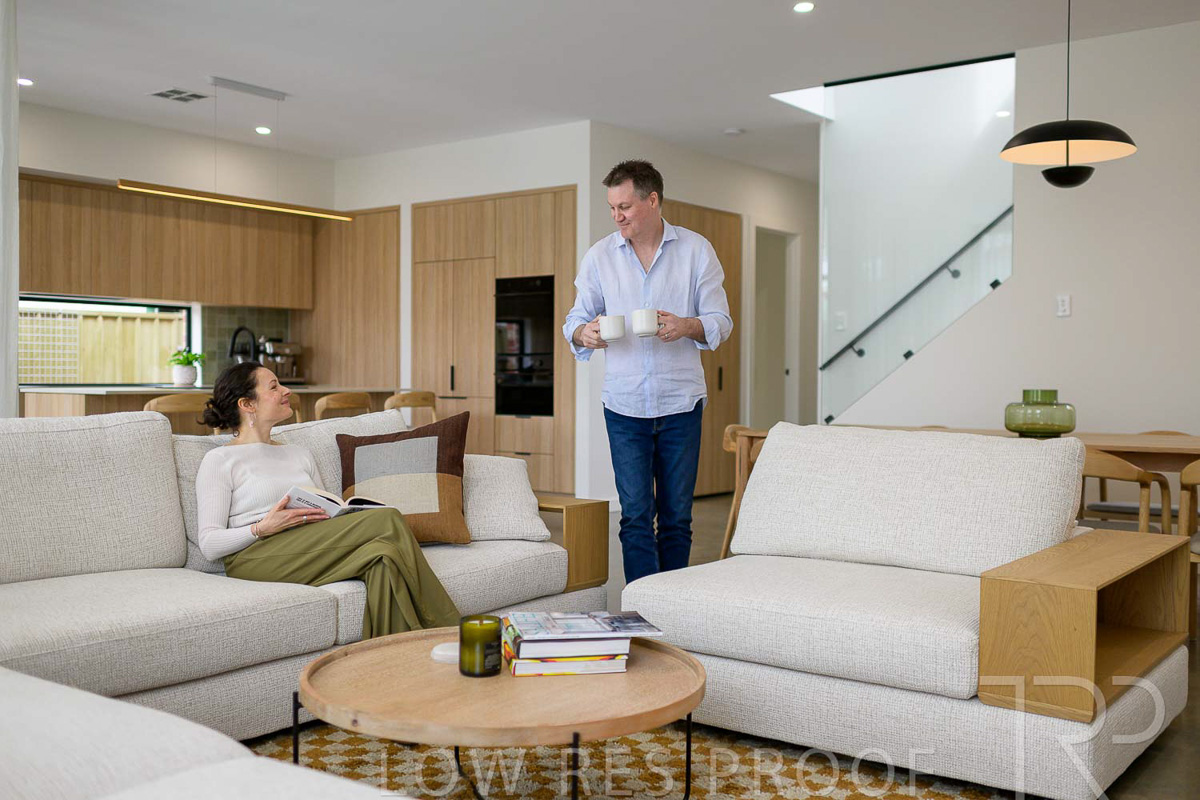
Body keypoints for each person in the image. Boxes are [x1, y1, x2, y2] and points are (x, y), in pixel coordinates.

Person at [195, 361, 460, 639]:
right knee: (388, 518)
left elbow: (326, 507)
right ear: (247, 404)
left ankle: (388, 654)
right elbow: (209, 544)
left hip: (312, 543)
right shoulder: (220, 460)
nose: (286, 391)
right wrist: (261, 527)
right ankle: (452, 632)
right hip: (256, 554)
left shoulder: (299, 453)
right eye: (274, 387)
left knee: (384, 556)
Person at [563, 160, 732, 585]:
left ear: (652, 200)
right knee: (635, 516)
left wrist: (687, 326)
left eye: (624, 206)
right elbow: (575, 320)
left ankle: (669, 608)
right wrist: (585, 333)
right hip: (623, 406)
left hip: (681, 403)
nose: (616, 216)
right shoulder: (600, 256)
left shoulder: (696, 250)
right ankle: (640, 609)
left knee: (677, 518)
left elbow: (721, 320)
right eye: (612, 208)